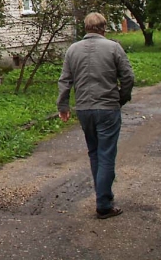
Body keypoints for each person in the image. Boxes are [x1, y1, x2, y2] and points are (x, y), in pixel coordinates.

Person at [57, 12, 135, 220]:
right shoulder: (113, 47)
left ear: (85, 28)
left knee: (94, 153)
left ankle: (103, 197)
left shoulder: (72, 50)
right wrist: (122, 98)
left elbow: (65, 80)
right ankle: (103, 204)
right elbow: (128, 76)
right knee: (106, 154)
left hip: (84, 110)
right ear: (103, 28)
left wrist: (63, 105)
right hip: (107, 108)